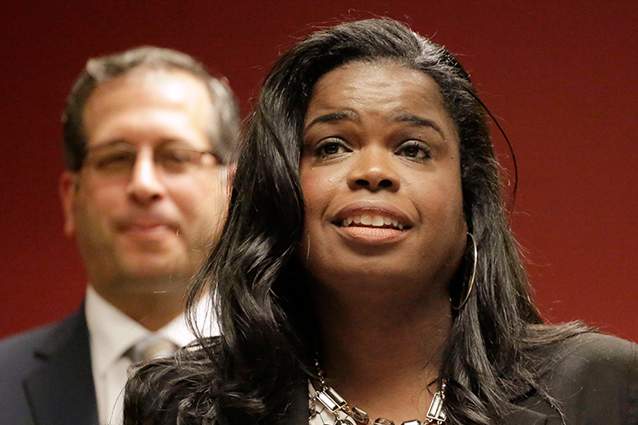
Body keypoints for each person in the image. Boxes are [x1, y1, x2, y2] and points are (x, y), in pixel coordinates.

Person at [124, 19, 637, 425]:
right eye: (332, 146)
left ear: (469, 198)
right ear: (277, 188)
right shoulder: (182, 406)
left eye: (413, 149)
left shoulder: (602, 387)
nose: (372, 172)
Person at [0, 47, 240, 425]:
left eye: (175, 156)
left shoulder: (310, 379)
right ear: (70, 198)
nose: (144, 185)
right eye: (116, 159)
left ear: (231, 191)